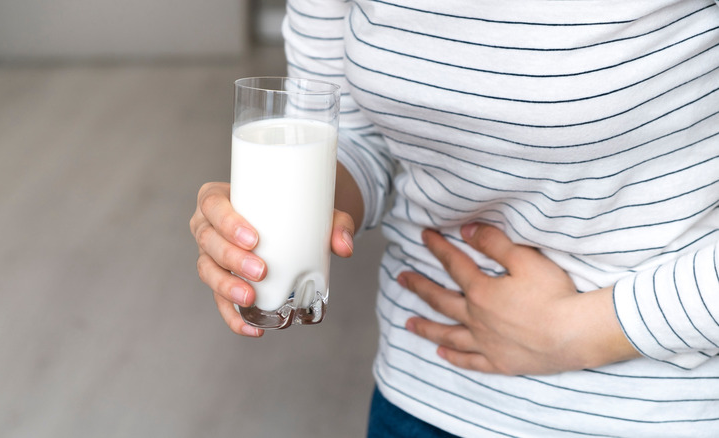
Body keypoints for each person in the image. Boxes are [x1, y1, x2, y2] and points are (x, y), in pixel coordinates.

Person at [190, 0, 719, 436]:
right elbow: (348, 132)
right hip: (428, 385)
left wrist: (583, 330)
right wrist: (277, 215)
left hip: (659, 403)